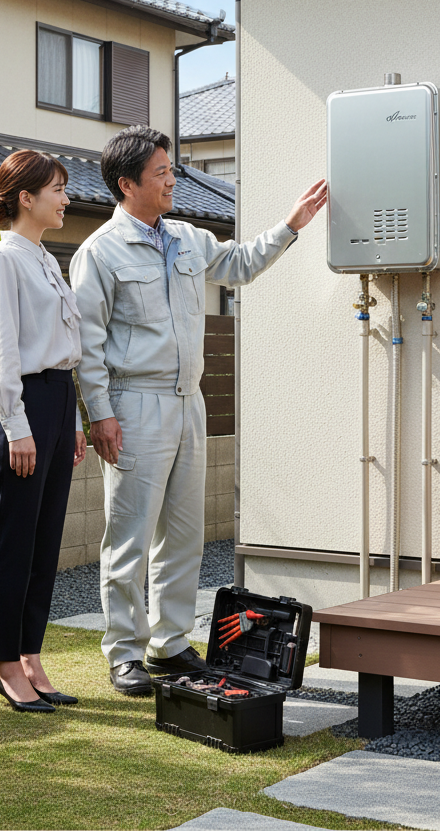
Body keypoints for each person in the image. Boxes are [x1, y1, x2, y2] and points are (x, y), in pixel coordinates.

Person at [70, 125, 328, 695]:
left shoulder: (186, 238)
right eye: (161, 172)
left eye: (171, 170)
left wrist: (291, 226)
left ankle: (170, 643)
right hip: (132, 405)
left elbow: (239, 263)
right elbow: (86, 345)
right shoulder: (100, 253)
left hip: (190, 404)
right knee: (130, 535)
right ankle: (124, 652)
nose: (171, 181)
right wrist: (99, 414)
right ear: (127, 183)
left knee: (185, 534)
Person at [0, 149, 88, 713]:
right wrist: (19, 428)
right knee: (14, 542)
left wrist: (71, 422)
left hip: (54, 402)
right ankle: (3, 663)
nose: (66, 198)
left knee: (45, 544)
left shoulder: (46, 258)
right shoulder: (5, 261)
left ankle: (30, 656)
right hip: (20, 408)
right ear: (27, 197)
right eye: (58, 189)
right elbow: (1, 354)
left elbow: (62, 353)